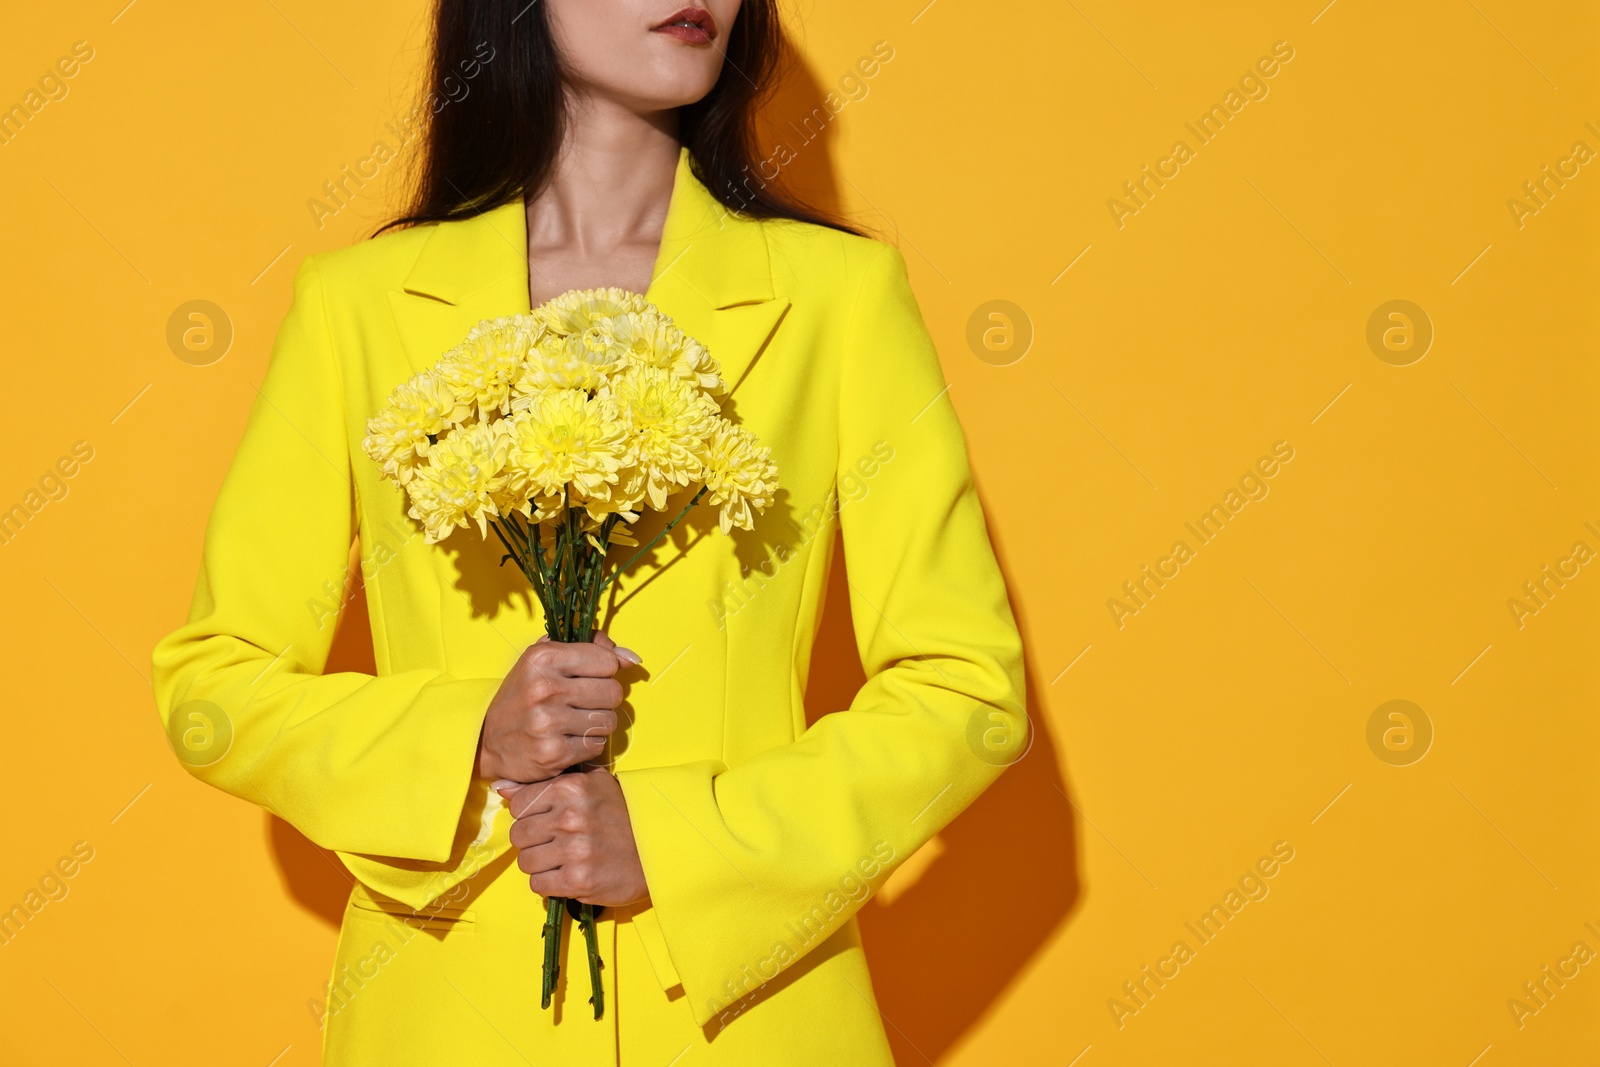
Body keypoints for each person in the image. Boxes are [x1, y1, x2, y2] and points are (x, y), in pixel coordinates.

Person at [151, 1, 1026, 1062]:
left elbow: (964, 689)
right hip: (443, 1018)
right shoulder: (359, 305)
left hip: (751, 1019)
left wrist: (682, 842)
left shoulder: (837, 297)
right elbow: (217, 682)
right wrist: (470, 738)